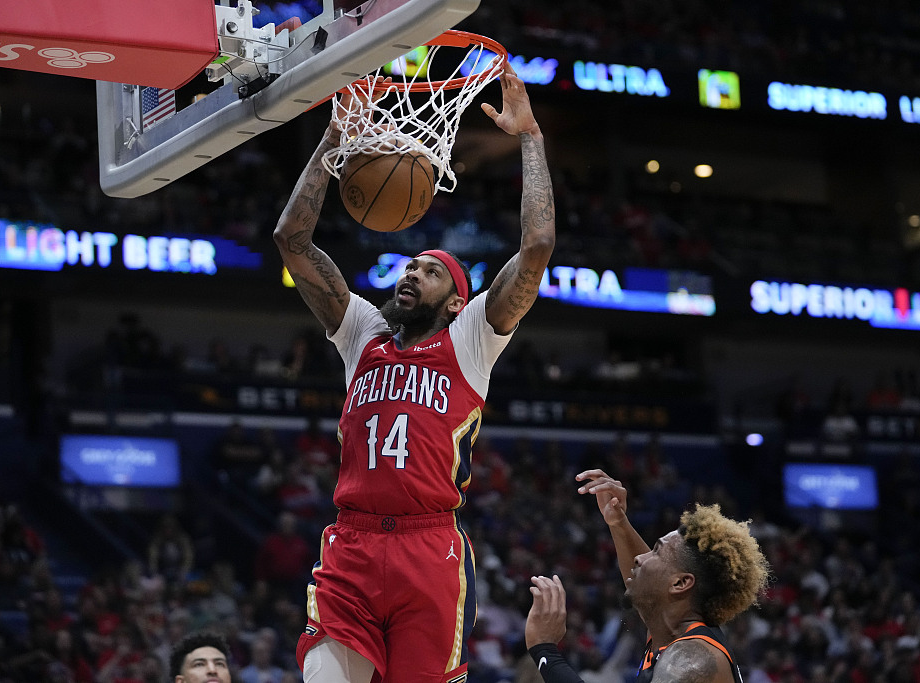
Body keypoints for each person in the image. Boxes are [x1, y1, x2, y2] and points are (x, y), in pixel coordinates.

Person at [272, 61, 555, 683]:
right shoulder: (364, 335)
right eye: (408, 265)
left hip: (430, 549)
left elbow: (536, 248)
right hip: (351, 544)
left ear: (457, 300)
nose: (410, 273)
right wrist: (335, 139)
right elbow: (292, 240)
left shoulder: (472, 338)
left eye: (429, 271)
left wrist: (530, 140)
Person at [525, 469, 771, 683]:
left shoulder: (692, 661)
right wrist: (618, 522)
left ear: (680, 583)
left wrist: (544, 648)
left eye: (656, 551)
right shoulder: (670, 629)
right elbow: (646, 583)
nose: (639, 558)